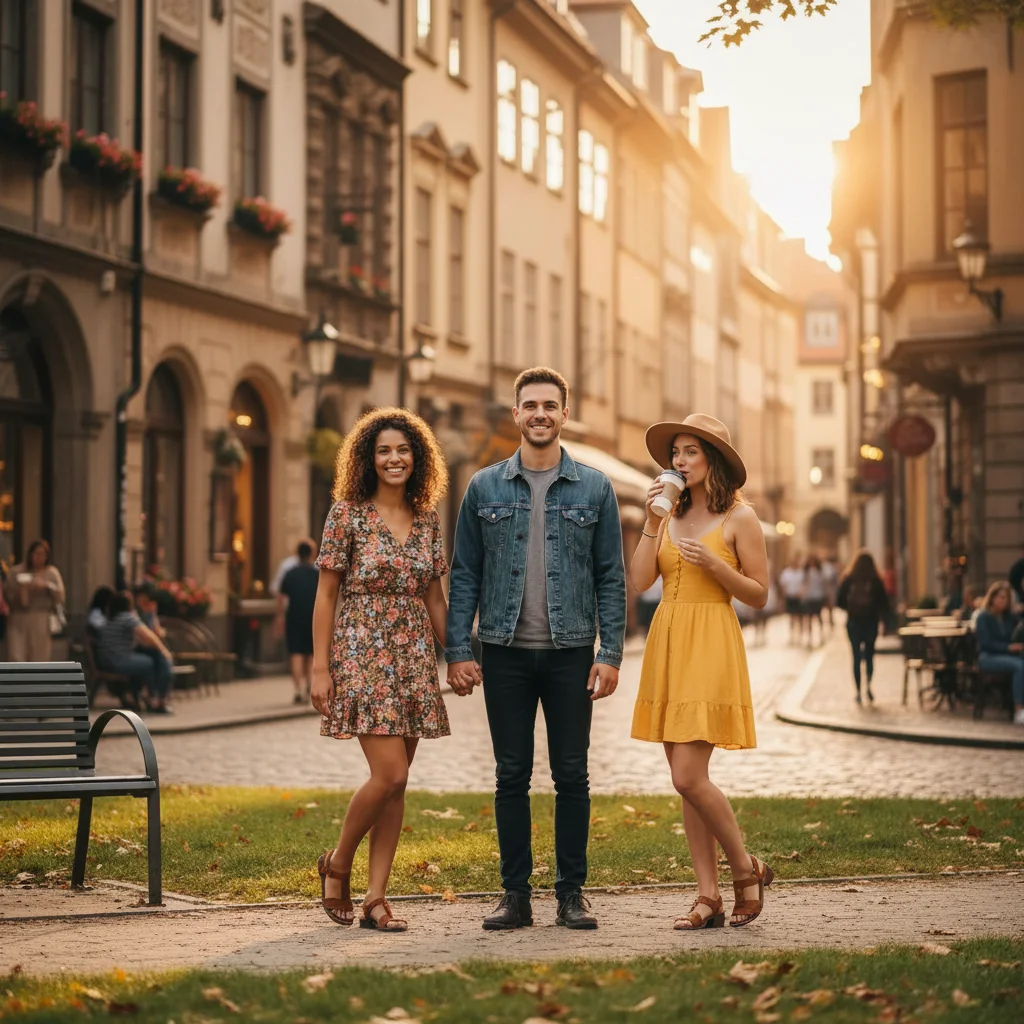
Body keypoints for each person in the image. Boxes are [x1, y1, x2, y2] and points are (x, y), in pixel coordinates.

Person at [445, 367, 626, 932]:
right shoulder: (484, 488)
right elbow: (465, 573)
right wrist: (458, 649)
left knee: (573, 775)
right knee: (510, 774)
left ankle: (572, 894)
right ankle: (515, 895)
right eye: (531, 406)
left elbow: (611, 577)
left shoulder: (595, 487)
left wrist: (611, 652)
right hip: (503, 653)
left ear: (564, 414)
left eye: (550, 405)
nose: (540, 414)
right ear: (516, 413)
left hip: (572, 650)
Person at [310, 408, 452, 933]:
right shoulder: (345, 514)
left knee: (398, 783)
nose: (395, 459)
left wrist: (457, 652)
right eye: (384, 451)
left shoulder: (428, 519)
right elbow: (325, 596)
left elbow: (435, 600)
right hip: (363, 650)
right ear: (369, 460)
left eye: (403, 450)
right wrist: (321, 669)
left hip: (413, 654)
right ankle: (339, 862)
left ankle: (375, 899)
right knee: (387, 773)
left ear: (418, 458)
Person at [630, 414, 773, 931]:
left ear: (712, 460)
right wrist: (650, 520)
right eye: (676, 453)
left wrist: (717, 567)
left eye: (691, 452)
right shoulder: (668, 514)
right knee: (688, 783)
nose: (680, 461)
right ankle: (707, 895)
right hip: (669, 638)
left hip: (712, 641)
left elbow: (759, 593)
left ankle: (745, 870)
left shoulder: (741, 517)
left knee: (688, 775)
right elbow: (641, 580)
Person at [95, 591, 175, 712]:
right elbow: (148, 636)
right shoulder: (127, 617)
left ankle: (137, 696)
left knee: (142, 661)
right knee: (149, 662)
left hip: (107, 659)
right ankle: (154, 699)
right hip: (117, 661)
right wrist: (164, 651)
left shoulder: (112, 619)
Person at [836, 550, 890, 705]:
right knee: (869, 655)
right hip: (871, 622)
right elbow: (884, 604)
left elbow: (839, 601)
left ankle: (858, 691)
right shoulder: (875, 580)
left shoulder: (849, 579)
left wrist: (851, 608)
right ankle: (869, 686)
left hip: (853, 622)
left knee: (856, 656)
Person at [3, 539, 66, 662]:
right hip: (18, 618)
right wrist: (21, 590)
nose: (37, 558)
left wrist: (46, 586)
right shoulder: (17, 571)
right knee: (17, 656)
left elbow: (60, 596)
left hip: (40, 618)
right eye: (35, 554)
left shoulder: (51, 572)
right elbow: (7, 595)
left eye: (41, 555)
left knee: (39, 657)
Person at [974, 582, 1024, 726]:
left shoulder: (1009, 617)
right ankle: (1019, 711)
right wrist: (1008, 648)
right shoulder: (983, 617)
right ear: (993, 598)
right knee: (1020, 666)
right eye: (1001, 597)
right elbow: (986, 643)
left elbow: (1019, 629)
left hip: (1006, 656)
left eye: (1006, 598)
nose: (1004, 601)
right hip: (988, 657)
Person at [276, 540, 319, 704]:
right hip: (312, 617)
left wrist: (279, 617)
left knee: (296, 654)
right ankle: (309, 685)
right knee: (311, 654)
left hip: (293, 616)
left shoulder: (290, 573)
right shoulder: (316, 573)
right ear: (311, 554)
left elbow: (281, 597)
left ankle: (298, 689)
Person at [778, 555, 805, 645]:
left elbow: (804, 584)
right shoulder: (787, 573)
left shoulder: (801, 572)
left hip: (799, 597)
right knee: (791, 617)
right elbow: (782, 584)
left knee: (800, 617)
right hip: (790, 597)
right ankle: (792, 636)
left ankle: (800, 636)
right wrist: (784, 594)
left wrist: (802, 593)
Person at [801, 554, 827, 649]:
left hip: (817, 596)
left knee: (819, 616)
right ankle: (810, 637)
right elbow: (803, 584)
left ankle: (821, 634)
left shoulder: (819, 572)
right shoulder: (806, 572)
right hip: (809, 597)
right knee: (809, 618)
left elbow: (823, 583)